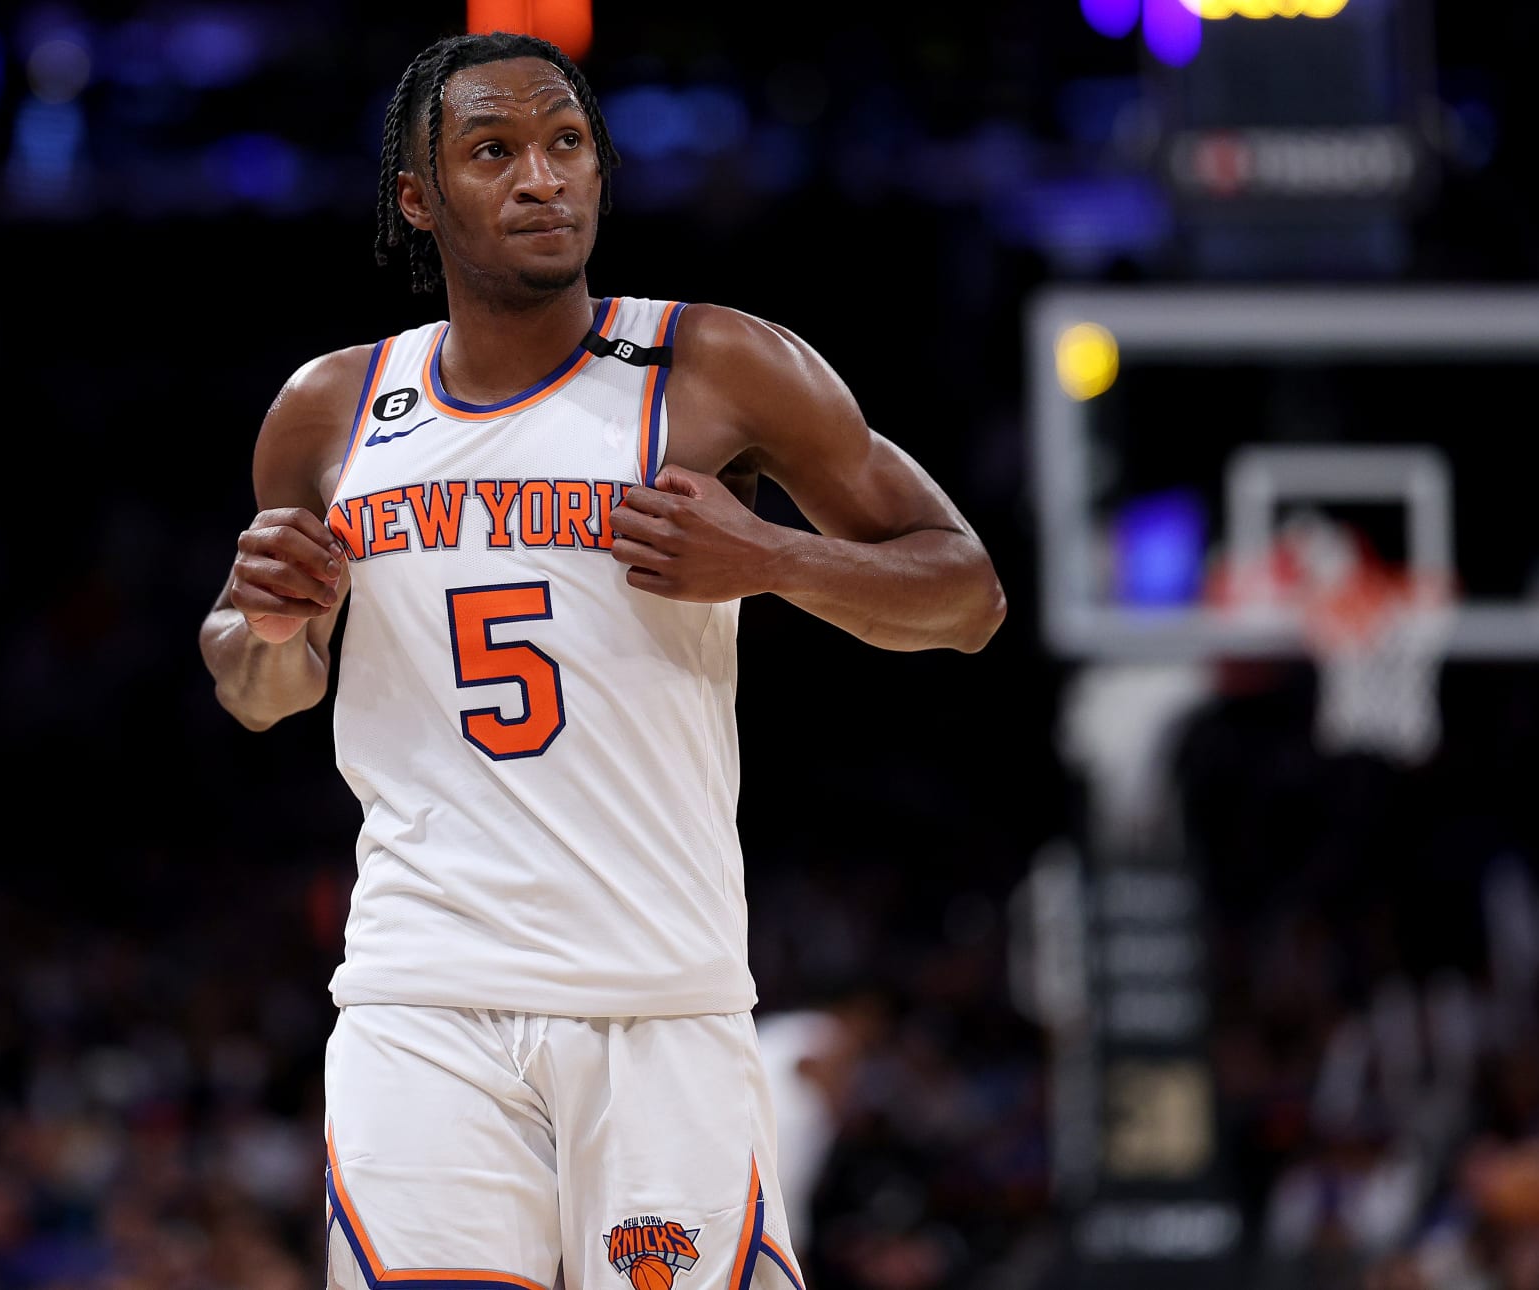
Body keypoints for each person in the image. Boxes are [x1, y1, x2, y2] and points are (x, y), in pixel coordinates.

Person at [198, 28, 1005, 1290]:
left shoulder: (718, 366)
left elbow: (967, 597)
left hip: (660, 999)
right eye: (493, 151)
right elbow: (264, 687)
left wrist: (775, 560)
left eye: (566, 144)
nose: (541, 179)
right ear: (418, 199)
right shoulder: (330, 409)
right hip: (423, 999)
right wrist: (269, 628)